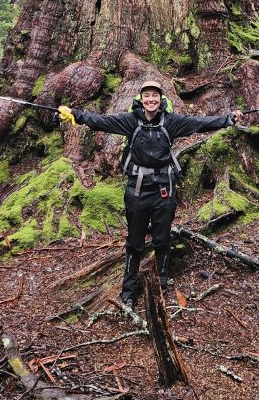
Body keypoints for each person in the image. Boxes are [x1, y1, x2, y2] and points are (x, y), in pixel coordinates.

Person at [58, 80, 240, 309]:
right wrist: (74, 114)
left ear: (161, 99)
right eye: (147, 95)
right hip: (137, 189)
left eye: (155, 95)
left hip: (164, 188)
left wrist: (227, 119)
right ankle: (128, 290)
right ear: (141, 99)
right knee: (135, 242)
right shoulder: (130, 120)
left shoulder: (171, 121)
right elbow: (101, 121)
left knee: (162, 239)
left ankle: (161, 283)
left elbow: (199, 123)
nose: (151, 99)